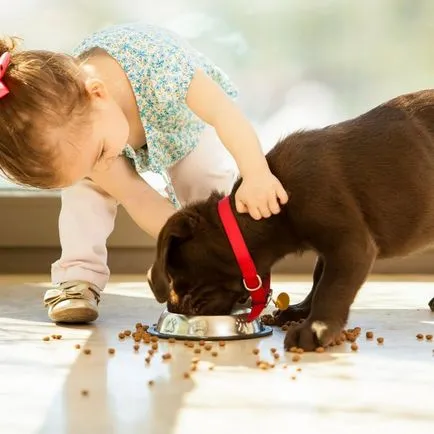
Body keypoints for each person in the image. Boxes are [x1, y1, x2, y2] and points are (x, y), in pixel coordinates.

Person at [0, 23, 288, 323]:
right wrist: (180, 246)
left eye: (98, 155)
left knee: (204, 181)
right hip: (102, 134)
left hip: (181, 125)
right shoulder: (85, 137)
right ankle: (77, 279)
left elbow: (224, 113)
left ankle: (227, 275)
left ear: (97, 94)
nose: (100, 167)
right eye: (87, 166)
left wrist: (255, 172)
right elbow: (138, 197)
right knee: (84, 194)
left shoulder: (162, 69)